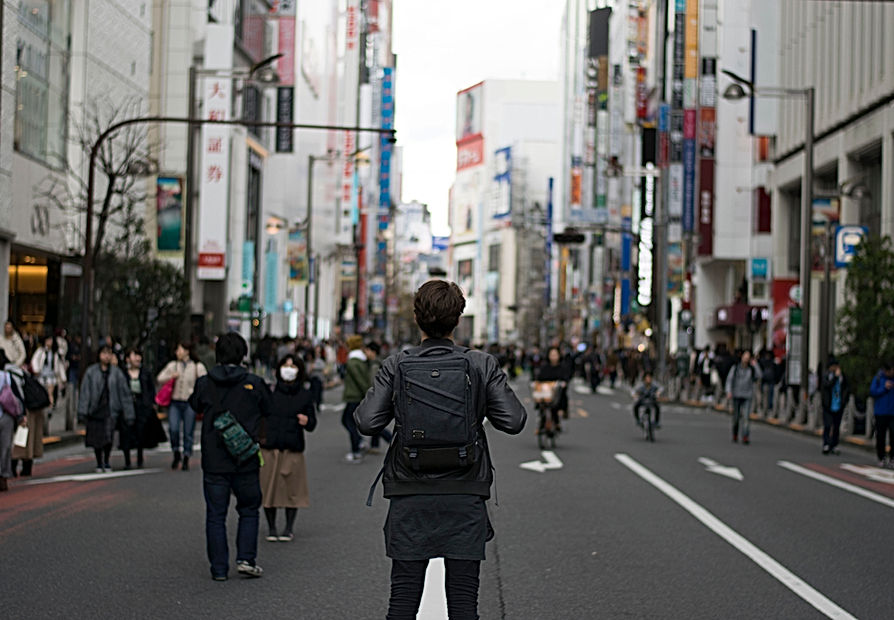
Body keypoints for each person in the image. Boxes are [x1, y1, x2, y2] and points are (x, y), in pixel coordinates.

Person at [354, 280, 527, 620]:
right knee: (464, 604)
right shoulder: (480, 363)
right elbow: (514, 419)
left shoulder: (396, 364)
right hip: (465, 491)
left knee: (402, 600)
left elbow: (367, 421)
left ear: (417, 318)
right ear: (458, 319)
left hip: (409, 489)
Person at [188, 332, 272, 581]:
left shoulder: (205, 383)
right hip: (244, 457)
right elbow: (269, 409)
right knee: (248, 508)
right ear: (243, 354)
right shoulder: (254, 383)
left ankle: (219, 569)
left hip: (214, 459)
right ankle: (246, 558)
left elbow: (195, 405)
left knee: (216, 514)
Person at [259, 355, 316, 543]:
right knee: (269, 489)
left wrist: (307, 421)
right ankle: (272, 527)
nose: (288, 369)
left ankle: (288, 528)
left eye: (292, 366)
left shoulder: (305, 394)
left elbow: (312, 423)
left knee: (293, 490)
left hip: (293, 448)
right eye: (285, 365)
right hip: (270, 447)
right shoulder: (270, 392)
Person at [77, 345, 135, 472]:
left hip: (111, 408)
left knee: (109, 436)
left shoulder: (116, 373)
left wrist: (129, 413)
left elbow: (124, 394)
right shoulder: (91, 372)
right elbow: (85, 392)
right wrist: (82, 410)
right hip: (96, 409)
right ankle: (99, 462)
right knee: (97, 437)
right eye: (104, 353)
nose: (107, 356)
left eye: (109, 353)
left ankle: (107, 461)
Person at [157, 341, 208, 471]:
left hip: (189, 402)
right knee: (173, 429)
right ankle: (176, 452)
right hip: (175, 402)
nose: (177, 352)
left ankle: (186, 456)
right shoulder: (173, 365)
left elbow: (205, 383)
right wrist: (171, 376)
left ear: (187, 351)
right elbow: (160, 378)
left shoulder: (197, 366)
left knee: (188, 431)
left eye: (179, 349)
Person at [123, 348, 163, 469]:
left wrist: (152, 403)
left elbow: (151, 389)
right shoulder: (122, 373)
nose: (138, 358)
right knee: (127, 431)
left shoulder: (145, 372)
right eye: (135, 355)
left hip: (142, 404)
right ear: (128, 358)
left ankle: (140, 457)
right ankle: (127, 460)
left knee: (141, 431)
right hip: (127, 404)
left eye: (139, 355)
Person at [341, 334, 370, 463]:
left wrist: (368, 396)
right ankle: (359, 443)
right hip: (357, 396)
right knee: (349, 421)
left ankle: (356, 449)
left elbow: (360, 380)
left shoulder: (352, 362)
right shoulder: (361, 360)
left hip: (354, 396)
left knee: (348, 422)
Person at [0, 350, 24, 492]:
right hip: (6, 417)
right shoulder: (7, 377)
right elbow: (17, 398)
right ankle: (3, 476)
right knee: (5, 447)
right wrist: (21, 415)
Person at [365, 341, 392, 453]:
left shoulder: (375, 365)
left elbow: (373, 383)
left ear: (373, 352)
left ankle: (392, 440)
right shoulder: (376, 363)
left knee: (375, 424)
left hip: (377, 398)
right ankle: (374, 445)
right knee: (375, 422)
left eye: (367, 351)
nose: (366, 353)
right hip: (380, 397)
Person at [726, 350, 758, 444]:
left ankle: (745, 436)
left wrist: (755, 364)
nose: (746, 359)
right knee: (736, 417)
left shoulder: (751, 369)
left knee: (746, 417)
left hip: (747, 395)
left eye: (748, 357)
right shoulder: (736, 368)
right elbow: (729, 380)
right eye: (745, 356)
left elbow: (759, 375)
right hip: (736, 394)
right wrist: (729, 391)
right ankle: (735, 434)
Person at [535, 346, 571, 432]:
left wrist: (563, 383)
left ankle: (557, 421)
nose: (553, 357)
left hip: (557, 392)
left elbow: (566, 378)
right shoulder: (544, 367)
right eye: (551, 355)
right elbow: (539, 377)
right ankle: (541, 423)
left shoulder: (562, 367)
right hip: (546, 391)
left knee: (557, 403)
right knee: (541, 403)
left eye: (555, 355)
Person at [820, 357, 850, 456]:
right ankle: (826, 444)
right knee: (828, 425)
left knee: (836, 426)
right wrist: (835, 377)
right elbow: (827, 385)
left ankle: (834, 445)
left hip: (838, 404)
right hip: (828, 404)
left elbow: (846, 388)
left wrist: (845, 400)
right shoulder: (827, 375)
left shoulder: (842, 376)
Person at [869, 362, 894, 469]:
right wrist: (884, 388)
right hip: (880, 412)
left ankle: (892, 458)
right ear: (885, 371)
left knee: (893, 435)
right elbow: (873, 391)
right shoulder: (878, 378)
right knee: (880, 436)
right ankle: (881, 457)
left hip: (893, 413)